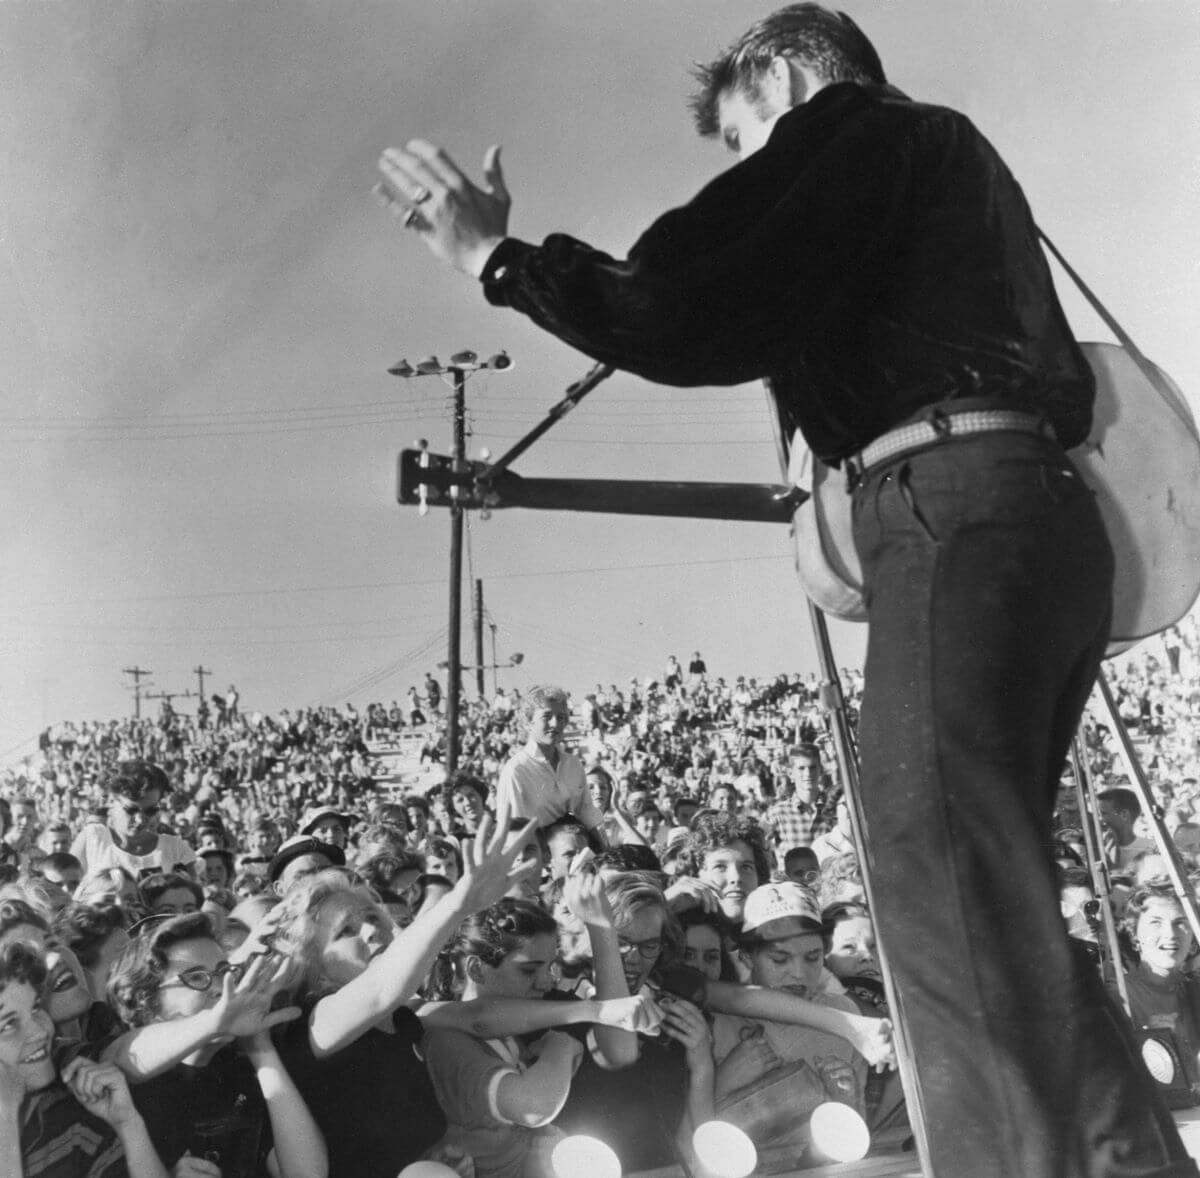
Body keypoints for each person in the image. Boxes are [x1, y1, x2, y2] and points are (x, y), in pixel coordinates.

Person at [376, 5, 1191, 1174]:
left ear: (785, 75)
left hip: (948, 509)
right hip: (1034, 517)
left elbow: (690, 297)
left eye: (744, 140)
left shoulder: (849, 126)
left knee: (938, 891)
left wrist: (502, 261)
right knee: (992, 894)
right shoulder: (952, 166)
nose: (754, 170)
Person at [0, 941, 169, 1178]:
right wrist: (5, 1118)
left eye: (36, 1008)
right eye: (8, 1024)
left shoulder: (72, 1126)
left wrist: (129, 1125)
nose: (39, 1032)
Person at [496, 687, 606, 842]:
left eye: (561, 717)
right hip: (537, 857)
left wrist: (605, 848)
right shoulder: (516, 770)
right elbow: (512, 831)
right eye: (547, 716)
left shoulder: (573, 764)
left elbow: (587, 813)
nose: (555, 723)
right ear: (528, 723)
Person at [71, 762, 197, 881]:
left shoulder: (175, 848)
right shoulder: (94, 839)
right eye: (131, 810)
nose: (140, 819)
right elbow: (66, 895)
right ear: (111, 802)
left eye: (150, 811)